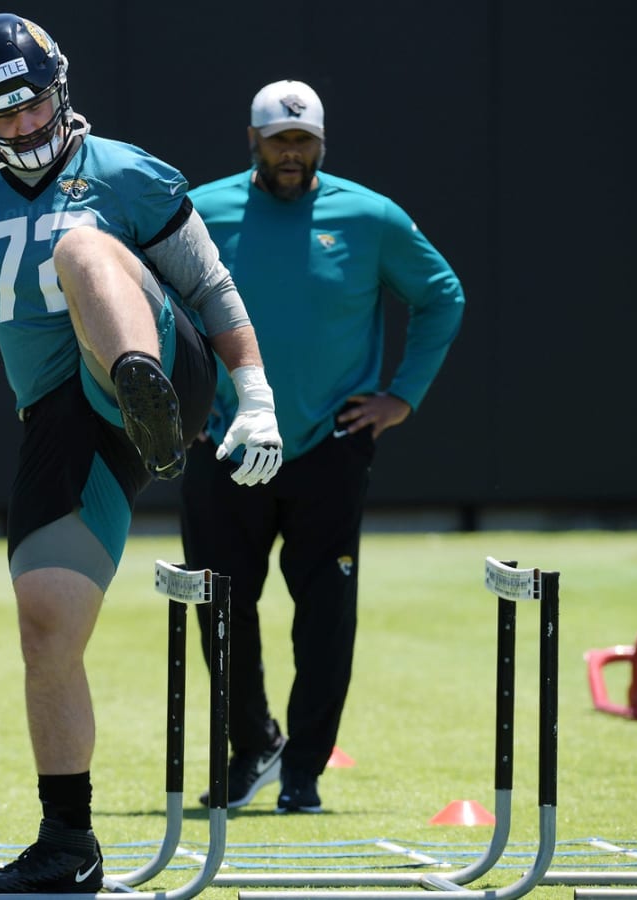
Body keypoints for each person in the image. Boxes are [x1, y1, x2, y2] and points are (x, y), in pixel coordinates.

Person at [0, 13, 283, 893]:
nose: (26, 127)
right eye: (5, 116)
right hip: (66, 421)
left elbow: (212, 286)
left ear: (61, 91)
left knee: (80, 245)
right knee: (46, 625)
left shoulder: (129, 175)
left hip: (164, 375)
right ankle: (69, 843)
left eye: (35, 107)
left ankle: (135, 383)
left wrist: (254, 397)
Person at [181, 79, 465, 814]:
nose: (291, 154)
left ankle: (303, 770)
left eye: (304, 141)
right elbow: (150, 298)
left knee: (327, 616)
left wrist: (402, 396)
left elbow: (441, 293)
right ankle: (253, 749)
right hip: (227, 443)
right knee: (219, 608)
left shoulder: (370, 217)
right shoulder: (202, 211)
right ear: (254, 139)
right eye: (279, 140)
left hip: (328, 449)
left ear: (321, 144)